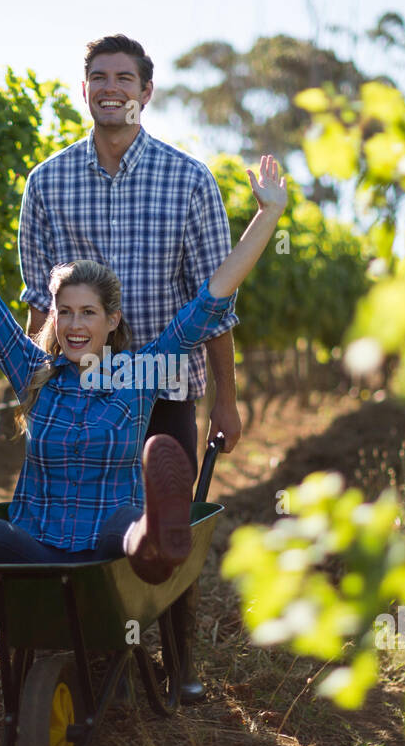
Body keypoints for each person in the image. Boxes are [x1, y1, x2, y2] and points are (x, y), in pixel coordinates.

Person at [0, 137, 286, 597]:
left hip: (109, 548)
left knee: (127, 525)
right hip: (34, 542)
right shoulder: (32, 371)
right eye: (65, 312)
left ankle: (158, 538)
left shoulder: (141, 373)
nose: (75, 325)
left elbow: (212, 297)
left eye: (88, 313)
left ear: (112, 320)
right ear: (54, 316)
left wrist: (267, 216)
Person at [18, 34, 241, 700]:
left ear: (147, 92)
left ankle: (180, 660)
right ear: (83, 89)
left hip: (162, 388)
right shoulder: (47, 182)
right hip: (76, 391)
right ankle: (79, 641)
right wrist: (32, 391)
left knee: (166, 527)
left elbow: (218, 307)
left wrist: (225, 401)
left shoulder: (190, 181)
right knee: (69, 519)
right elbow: (38, 303)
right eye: (98, 76)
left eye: (124, 77)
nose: (110, 87)